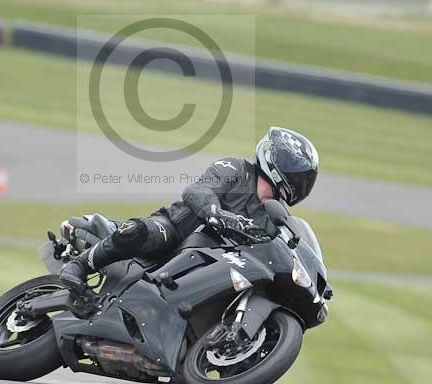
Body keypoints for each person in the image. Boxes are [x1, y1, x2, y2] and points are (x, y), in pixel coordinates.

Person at [59, 126, 319, 295]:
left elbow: (282, 250)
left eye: (305, 176)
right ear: (277, 162)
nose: (301, 181)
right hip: (177, 230)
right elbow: (197, 192)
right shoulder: (236, 169)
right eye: (298, 172)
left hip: (218, 262)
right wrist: (218, 213)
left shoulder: (274, 215)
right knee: (137, 231)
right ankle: (79, 267)